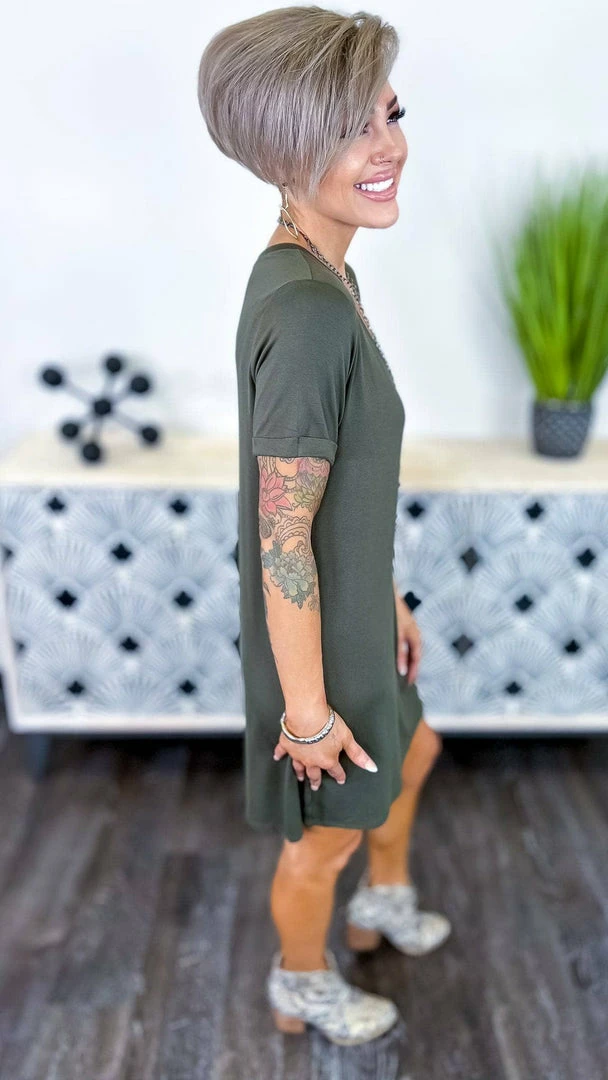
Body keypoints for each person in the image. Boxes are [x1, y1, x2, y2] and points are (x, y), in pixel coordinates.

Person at [197, 5, 451, 1046]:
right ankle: (299, 980)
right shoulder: (306, 309)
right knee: (321, 842)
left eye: (389, 115)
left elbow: (329, 495)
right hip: (316, 652)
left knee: (416, 748)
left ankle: (381, 900)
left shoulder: (318, 268)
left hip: (349, 616)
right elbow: (281, 538)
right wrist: (306, 714)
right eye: (351, 129)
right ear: (283, 152)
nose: (386, 147)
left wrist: (382, 596)